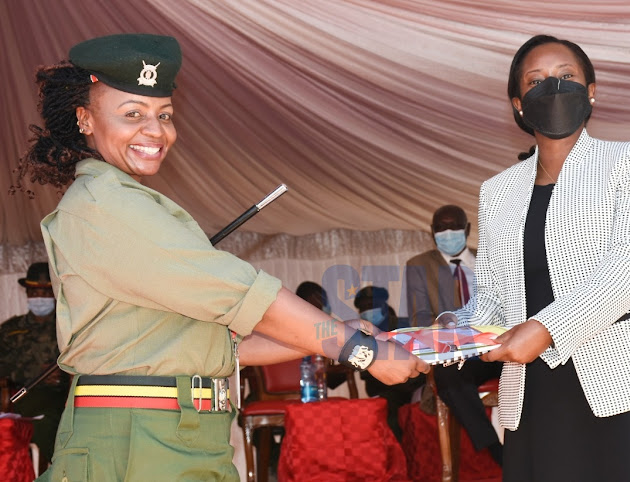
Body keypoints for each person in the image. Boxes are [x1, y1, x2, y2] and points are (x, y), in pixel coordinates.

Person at [12, 33, 428, 482]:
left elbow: (222, 349)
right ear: (85, 119)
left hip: (177, 433)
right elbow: (243, 295)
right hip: (141, 438)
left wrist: (338, 333)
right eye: (132, 114)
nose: (155, 131)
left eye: (164, 115)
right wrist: (363, 353)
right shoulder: (107, 204)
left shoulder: (125, 203)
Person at [438, 34, 630, 481]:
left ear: (591, 91)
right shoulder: (498, 191)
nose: (553, 88)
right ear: (518, 104)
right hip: (536, 393)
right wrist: (454, 328)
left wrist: (546, 329)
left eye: (566, 77)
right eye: (536, 81)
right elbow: (492, 295)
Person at [405, 205, 503, 467]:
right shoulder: (419, 266)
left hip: (497, 348)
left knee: (539, 366)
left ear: (468, 229)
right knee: (448, 376)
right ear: (432, 232)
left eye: (454, 227)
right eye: (440, 228)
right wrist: (447, 327)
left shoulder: (489, 260)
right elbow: (419, 320)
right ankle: (498, 452)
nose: (447, 233)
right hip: (457, 356)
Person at [0, 262, 69, 471]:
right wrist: (34, 371)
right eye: (34, 291)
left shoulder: (68, 329)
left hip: (61, 396)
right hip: (18, 394)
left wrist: (62, 375)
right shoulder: (11, 329)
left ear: (55, 293)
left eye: (46, 292)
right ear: (27, 292)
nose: (39, 297)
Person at [354, 286, 422, 440]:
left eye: (371, 306)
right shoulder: (362, 334)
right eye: (363, 308)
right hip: (384, 389)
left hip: (412, 383)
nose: (367, 311)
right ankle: (395, 457)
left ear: (384, 305)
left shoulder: (405, 325)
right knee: (384, 408)